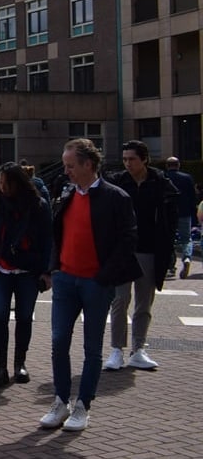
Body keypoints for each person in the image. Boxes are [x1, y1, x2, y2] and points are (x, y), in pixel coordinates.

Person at [40, 138, 139, 432]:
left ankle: (83, 405)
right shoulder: (67, 195)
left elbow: (128, 240)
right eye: (66, 165)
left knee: (92, 348)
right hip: (66, 280)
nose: (66, 171)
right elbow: (56, 233)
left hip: (96, 282)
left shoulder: (116, 197)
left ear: (88, 165)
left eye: (71, 166)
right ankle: (61, 401)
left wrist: (105, 275)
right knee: (58, 342)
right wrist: (52, 268)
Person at [0, 162, 52, 387]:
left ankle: (20, 363)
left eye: (7, 183)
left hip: (28, 270)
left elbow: (49, 239)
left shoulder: (39, 205)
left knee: (24, 316)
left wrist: (47, 271)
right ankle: (0, 366)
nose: (3, 187)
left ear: (19, 182)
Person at [104, 140, 178, 371]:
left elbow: (170, 217)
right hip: (123, 249)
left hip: (149, 248)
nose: (127, 163)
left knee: (144, 301)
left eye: (132, 159)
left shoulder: (160, 183)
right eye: (125, 159)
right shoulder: (117, 182)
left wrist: (167, 249)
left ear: (144, 159)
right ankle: (117, 349)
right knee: (119, 299)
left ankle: (138, 349)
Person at [164, 156, 196, 278]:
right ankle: (187, 258)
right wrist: (193, 214)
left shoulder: (163, 177)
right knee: (186, 239)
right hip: (184, 212)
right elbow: (192, 197)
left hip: (167, 213)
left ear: (167, 166)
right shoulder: (187, 178)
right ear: (178, 165)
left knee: (168, 239)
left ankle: (171, 266)